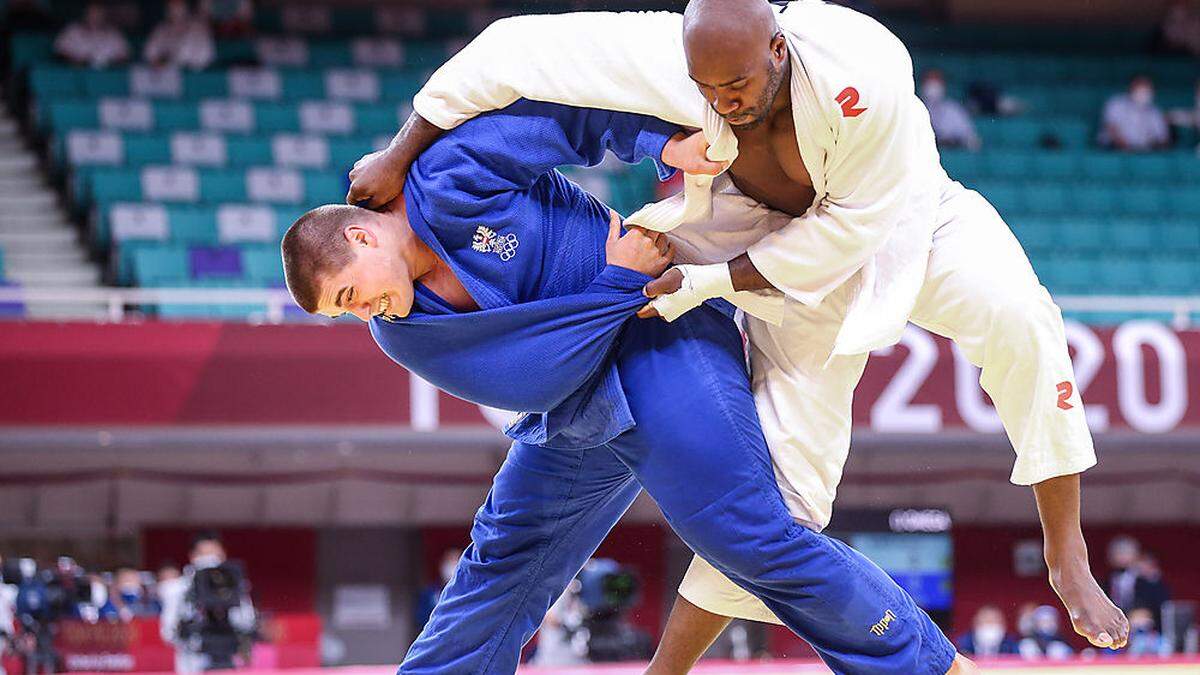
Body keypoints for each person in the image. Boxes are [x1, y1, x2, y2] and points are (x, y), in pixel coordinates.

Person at [344, 0, 1130, 666]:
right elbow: (513, 52)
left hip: (893, 229)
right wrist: (401, 145)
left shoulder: (864, 70)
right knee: (755, 513)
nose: (722, 99)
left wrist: (705, 281)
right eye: (706, 87)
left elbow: (847, 236)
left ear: (779, 51)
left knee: (1020, 318)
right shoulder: (683, 60)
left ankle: (1055, 560)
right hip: (720, 272)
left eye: (739, 84)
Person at [284, 100, 970, 674]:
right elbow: (532, 378)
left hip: (658, 340)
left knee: (748, 536)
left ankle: (927, 666)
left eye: (349, 294)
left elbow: (559, 113)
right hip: (577, 394)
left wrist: (661, 144)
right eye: (344, 312)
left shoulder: (448, 175)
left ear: (360, 236)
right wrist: (616, 282)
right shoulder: (401, 330)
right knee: (503, 560)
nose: (360, 313)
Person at [159, 532, 255, 673]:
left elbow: (248, 622)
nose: (210, 559)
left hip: (227, 661)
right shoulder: (177, 589)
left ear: (222, 555)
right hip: (192, 662)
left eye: (214, 553)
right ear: (193, 556)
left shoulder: (234, 587)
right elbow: (168, 633)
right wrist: (189, 626)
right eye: (204, 553)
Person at [1099, 75, 1171, 152]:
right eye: (1140, 88)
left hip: (1146, 153)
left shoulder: (1155, 112)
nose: (1143, 92)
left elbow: (1163, 138)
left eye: (1146, 89)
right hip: (1114, 151)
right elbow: (1111, 129)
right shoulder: (1116, 103)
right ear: (1131, 88)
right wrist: (1128, 149)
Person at [53, 2, 130, 69]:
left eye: (99, 13)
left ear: (105, 15)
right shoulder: (71, 31)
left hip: (108, 78)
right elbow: (60, 55)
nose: (95, 16)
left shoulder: (115, 35)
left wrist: (109, 64)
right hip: (77, 77)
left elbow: (124, 58)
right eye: (92, 12)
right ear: (85, 13)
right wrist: (79, 62)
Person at [143, 0, 215, 71]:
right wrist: (162, 62)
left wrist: (176, 60)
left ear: (185, 7)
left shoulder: (198, 29)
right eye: (172, 6)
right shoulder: (161, 29)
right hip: (167, 76)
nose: (175, 10)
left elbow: (205, 58)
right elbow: (149, 53)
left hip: (194, 77)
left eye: (179, 5)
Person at [920, 69, 981, 151]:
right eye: (929, 81)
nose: (933, 86)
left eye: (936, 81)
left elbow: (972, 139)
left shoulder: (954, 109)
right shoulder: (913, 109)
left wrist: (953, 142)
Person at [1107, 535, 1141, 612]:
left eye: (1126, 553)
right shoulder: (1105, 582)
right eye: (1118, 553)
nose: (1122, 557)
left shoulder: (1145, 582)